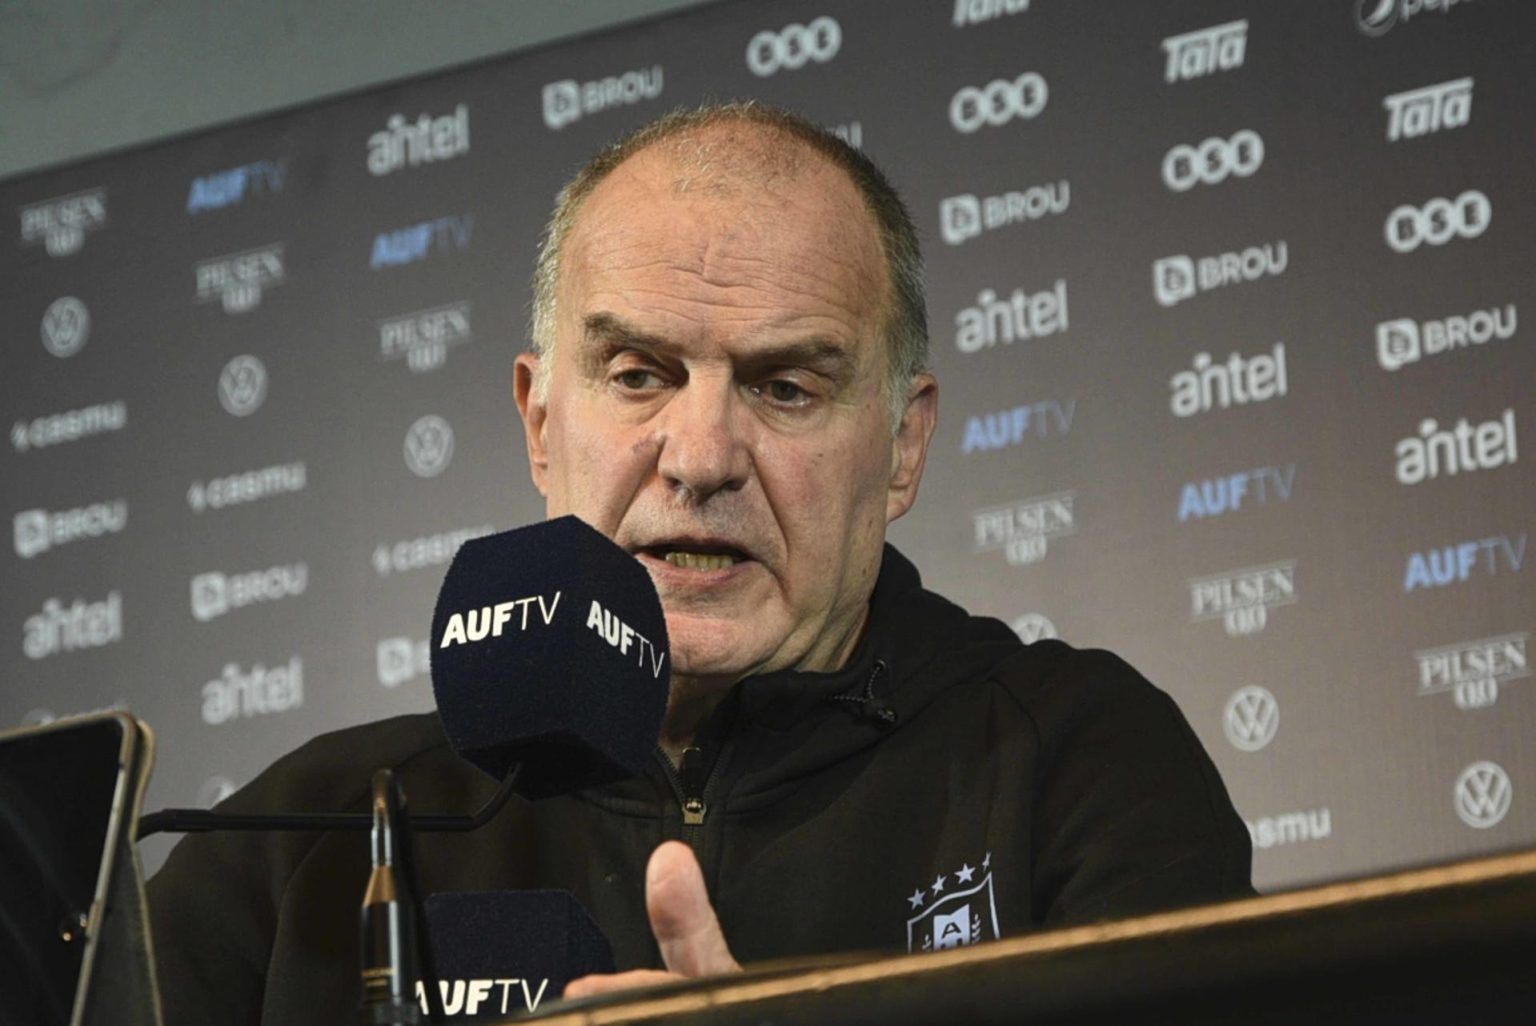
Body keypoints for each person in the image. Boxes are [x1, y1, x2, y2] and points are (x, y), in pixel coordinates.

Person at [148, 102, 1253, 1024]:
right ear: (541, 423)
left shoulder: (1077, 762)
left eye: (786, 387)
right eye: (637, 373)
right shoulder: (307, 841)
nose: (703, 457)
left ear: (904, 445)